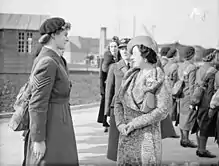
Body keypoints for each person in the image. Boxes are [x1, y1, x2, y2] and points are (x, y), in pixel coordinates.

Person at [23, 17, 79, 165]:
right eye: (64, 35)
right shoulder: (47, 61)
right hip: (51, 127)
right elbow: (37, 103)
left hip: (60, 123)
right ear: (53, 35)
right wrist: (38, 139)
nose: (67, 39)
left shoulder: (57, 59)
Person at [114, 36, 170, 165]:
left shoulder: (159, 78)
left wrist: (134, 124)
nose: (131, 57)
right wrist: (120, 124)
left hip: (147, 138)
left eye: (133, 54)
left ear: (145, 55)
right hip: (126, 136)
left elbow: (162, 110)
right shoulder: (130, 75)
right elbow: (118, 101)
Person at [104, 38, 131, 161]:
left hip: (133, 107)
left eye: (126, 48)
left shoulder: (137, 66)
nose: (124, 51)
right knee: (116, 139)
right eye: (121, 49)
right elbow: (109, 91)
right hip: (117, 107)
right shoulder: (114, 67)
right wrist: (107, 113)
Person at [192, 48, 219, 158]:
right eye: (217, 57)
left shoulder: (200, 69)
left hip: (200, 100)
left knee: (200, 124)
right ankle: (202, 150)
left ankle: (200, 148)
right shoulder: (213, 71)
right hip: (209, 100)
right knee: (206, 126)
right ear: (212, 57)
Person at [97, 36, 121, 132]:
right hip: (108, 84)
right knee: (106, 103)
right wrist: (101, 88)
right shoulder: (106, 59)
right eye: (111, 47)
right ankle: (105, 123)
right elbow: (101, 74)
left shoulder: (120, 58)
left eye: (115, 46)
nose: (113, 49)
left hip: (117, 85)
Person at [177, 46, 198, 148]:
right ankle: (186, 139)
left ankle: (182, 138)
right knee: (188, 117)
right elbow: (192, 85)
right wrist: (194, 100)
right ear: (192, 54)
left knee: (181, 116)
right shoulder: (192, 67)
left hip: (180, 95)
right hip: (188, 95)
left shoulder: (180, 66)